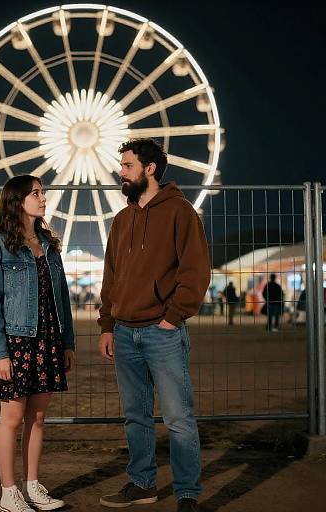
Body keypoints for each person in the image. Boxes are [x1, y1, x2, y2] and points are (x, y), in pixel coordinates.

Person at [98, 138, 211, 512]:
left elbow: (195, 272)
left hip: (161, 332)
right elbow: (111, 278)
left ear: (149, 168)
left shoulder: (180, 212)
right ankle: (142, 483)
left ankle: (187, 494)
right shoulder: (121, 220)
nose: (121, 171)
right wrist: (107, 325)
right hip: (125, 333)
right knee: (136, 416)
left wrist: (172, 317)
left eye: (127, 165)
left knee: (178, 417)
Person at [0, 175, 75, 512]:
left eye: (43, 192)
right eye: (36, 193)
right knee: (12, 418)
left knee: (37, 418)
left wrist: (67, 343)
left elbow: (61, 299)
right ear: (18, 200)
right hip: (16, 341)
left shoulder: (49, 246)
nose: (43, 198)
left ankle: (33, 485)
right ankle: (9, 492)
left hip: (47, 338)